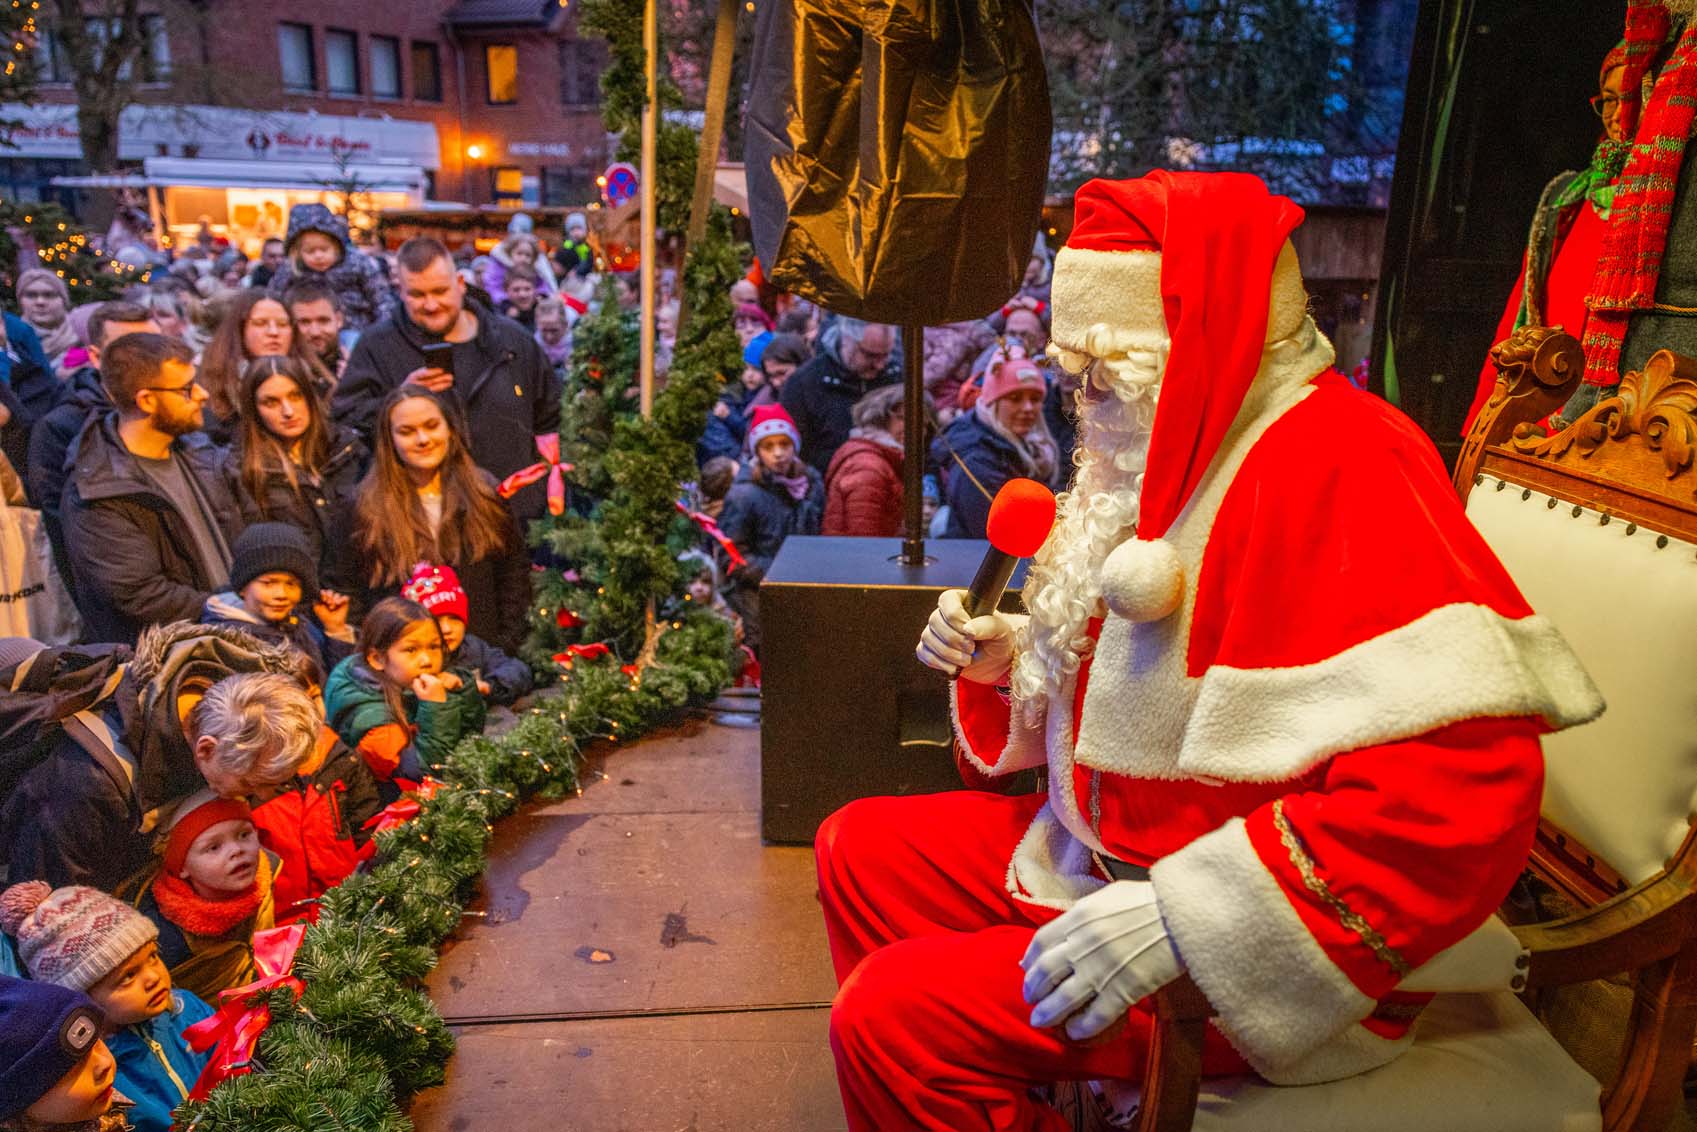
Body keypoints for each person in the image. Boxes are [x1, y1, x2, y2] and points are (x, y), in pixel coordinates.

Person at [823, 171, 1602, 1131]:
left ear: (1208, 342)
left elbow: (1463, 790)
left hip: (1252, 947)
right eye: (1073, 365)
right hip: (1112, 851)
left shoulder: (1344, 463)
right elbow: (1160, 670)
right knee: (860, 850)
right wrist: (1014, 660)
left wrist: (1195, 918)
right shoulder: (1173, 442)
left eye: (1110, 367)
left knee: (889, 1018)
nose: (1081, 394)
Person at [0, 624, 320, 892]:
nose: (263, 795)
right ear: (205, 749)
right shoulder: (88, 780)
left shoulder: (239, 725)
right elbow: (52, 909)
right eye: (251, 783)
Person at [331, 237, 563, 524]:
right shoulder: (377, 346)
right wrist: (399, 401)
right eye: (417, 294)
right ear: (400, 292)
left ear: (460, 284)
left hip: (512, 515)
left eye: (440, 291)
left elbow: (550, 419)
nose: (431, 304)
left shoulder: (512, 340)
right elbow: (347, 420)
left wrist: (542, 496)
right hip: (419, 523)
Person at [1465, 44, 1633, 434]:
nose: (1617, 114)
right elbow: (1523, 307)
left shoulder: (1663, 203)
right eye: (1608, 100)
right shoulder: (1567, 198)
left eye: (1629, 99)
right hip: (1544, 392)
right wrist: (1487, 413)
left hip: (1611, 406)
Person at [61, 334, 245, 645]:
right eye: (187, 389)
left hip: (236, 633)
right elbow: (138, 594)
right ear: (146, 400)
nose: (202, 394)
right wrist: (235, 609)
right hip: (180, 653)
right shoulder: (96, 490)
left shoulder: (197, 448)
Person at [330, 386, 531, 652]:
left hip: (481, 658)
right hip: (400, 663)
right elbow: (346, 587)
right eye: (407, 432)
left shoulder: (485, 494)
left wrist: (503, 650)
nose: (423, 439)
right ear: (389, 440)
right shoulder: (362, 508)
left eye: (431, 426)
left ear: (450, 429)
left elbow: (513, 576)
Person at [0, 884, 213, 1132]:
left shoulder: (187, 1008)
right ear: (83, 998)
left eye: (153, 956)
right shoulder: (102, 1085)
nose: (153, 977)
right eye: (128, 976)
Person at [27, 302, 159, 585]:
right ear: (96, 357)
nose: (150, 360)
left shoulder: (176, 410)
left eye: (156, 346)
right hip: (119, 582)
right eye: (131, 349)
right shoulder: (60, 428)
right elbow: (63, 532)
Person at [118, 791, 277, 1001]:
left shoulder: (268, 874)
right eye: (214, 847)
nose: (237, 850)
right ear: (182, 866)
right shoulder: (161, 934)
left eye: (244, 835)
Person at [324, 596, 482, 800]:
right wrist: (435, 707)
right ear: (377, 659)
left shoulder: (409, 683)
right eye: (411, 650)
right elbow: (423, 777)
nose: (427, 660)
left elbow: (470, 743)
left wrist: (461, 691)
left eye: (434, 647)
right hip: (390, 809)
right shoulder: (372, 719)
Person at [224, 355, 368, 577]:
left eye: (295, 396)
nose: (288, 411)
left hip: (361, 582)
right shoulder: (243, 470)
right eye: (271, 402)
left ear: (309, 397)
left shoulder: (348, 449)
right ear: (254, 410)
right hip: (297, 588)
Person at [250, 712, 381, 925]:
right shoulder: (248, 784)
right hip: (282, 923)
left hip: (348, 908)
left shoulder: (338, 759)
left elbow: (367, 830)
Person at [719, 405, 823, 653]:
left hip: (804, 591)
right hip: (759, 597)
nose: (778, 453)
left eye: (784, 444)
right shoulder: (744, 495)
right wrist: (776, 574)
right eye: (768, 446)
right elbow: (731, 554)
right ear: (757, 450)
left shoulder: (810, 483)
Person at [200, 522, 353, 678]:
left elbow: (340, 684)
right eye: (268, 583)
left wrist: (336, 630)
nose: (281, 594)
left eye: (291, 584)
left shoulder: (300, 625)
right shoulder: (230, 645)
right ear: (242, 587)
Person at [935, 355, 1058, 539]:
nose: (1028, 408)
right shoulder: (976, 461)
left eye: (1035, 399)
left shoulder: (1030, 448)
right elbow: (1001, 536)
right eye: (1015, 398)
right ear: (993, 403)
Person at [0, 976, 133, 1131]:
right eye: (72, 1068)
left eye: (96, 1042)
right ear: (18, 1102)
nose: (104, 1063)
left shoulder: (98, 1113)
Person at [196, 289, 328, 444]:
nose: (273, 332)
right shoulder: (210, 391)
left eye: (282, 324)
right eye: (260, 323)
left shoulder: (318, 381)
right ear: (240, 330)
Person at [402, 562, 532, 707]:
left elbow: (518, 670)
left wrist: (490, 686)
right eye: (436, 621)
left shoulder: (473, 648)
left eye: (454, 619)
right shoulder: (410, 661)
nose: (447, 629)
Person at [780, 318, 899, 474]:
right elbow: (795, 452)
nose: (880, 365)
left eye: (886, 355)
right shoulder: (805, 383)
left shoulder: (896, 377)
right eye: (870, 355)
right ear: (846, 341)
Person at [265, 204, 393, 333]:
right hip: (306, 330)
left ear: (336, 245)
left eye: (324, 249)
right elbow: (274, 298)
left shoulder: (357, 262)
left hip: (353, 327)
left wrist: (382, 332)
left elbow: (381, 298)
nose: (318, 256)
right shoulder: (291, 269)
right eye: (310, 251)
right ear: (297, 252)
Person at [823, 384, 907, 537]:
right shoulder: (868, 467)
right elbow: (864, 538)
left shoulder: (885, 458)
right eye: (903, 418)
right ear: (881, 418)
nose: (915, 427)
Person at [282, 279, 358, 381]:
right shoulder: (282, 371)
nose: (315, 332)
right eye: (304, 322)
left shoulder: (360, 362)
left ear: (339, 320)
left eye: (323, 321)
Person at [14, 268, 79, 375]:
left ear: (63, 300)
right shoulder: (10, 342)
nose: (40, 302)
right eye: (31, 295)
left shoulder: (83, 336)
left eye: (49, 295)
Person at [483, 231, 558, 306]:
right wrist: (505, 301)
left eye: (528, 255)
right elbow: (492, 288)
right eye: (519, 253)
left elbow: (543, 286)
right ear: (510, 253)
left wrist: (541, 295)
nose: (523, 258)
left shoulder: (535, 271)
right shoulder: (499, 268)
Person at [534, 296, 573, 371]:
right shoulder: (534, 343)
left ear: (565, 325)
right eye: (544, 330)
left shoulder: (575, 342)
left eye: (554, 330)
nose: (549, 337)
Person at [553, 211, 594, 279]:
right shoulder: (566, 246)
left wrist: (578, 271)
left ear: (585, 231)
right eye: (572, 229)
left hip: (582, 278)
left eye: (579, 228)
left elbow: (588, 263)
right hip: (566, 278)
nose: (576, 232)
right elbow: (560, 263)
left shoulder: (586, 248)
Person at [502, 265, 541, 330]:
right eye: (516, 290)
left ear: (535, 290)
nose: (522, 295)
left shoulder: (545, 314)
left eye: (527, 289)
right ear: (506, 291)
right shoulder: (498, 315)